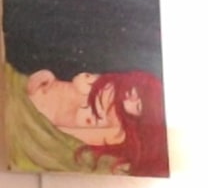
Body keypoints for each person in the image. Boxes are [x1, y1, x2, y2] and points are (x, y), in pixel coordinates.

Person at [5, 62, 169, 176]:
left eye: (138, 106)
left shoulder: (117, 130)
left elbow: (64, 134)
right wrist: (45, 78)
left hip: (36, 116)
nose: (132, 98)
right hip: (35, 91)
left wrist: (42, 124)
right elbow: (77, 81)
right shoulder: (109, 84)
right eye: (137, 91)